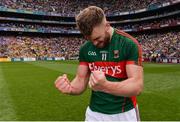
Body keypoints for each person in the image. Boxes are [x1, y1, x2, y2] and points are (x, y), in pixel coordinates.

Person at [55, 6, 143, 121]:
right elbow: (81, 80)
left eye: (97, 38)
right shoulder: (85, 49)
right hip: (94, 114)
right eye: (90, 39)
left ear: (107, 25)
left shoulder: (129, 44)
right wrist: (70, 88)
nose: (94, 43)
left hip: (123, 113)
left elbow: (137, 86)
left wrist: (105, 86)